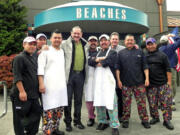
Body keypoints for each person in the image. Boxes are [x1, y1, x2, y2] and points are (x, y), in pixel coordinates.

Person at [115, 34, 150, 129]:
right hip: (126, 83)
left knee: (142, 103)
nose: (129, 42)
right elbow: (117, 68)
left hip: (139, 83)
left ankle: (144, 120)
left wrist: (147, 78)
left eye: (131, 40)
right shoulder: (121, 53)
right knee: (126, 104)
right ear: (125, 42)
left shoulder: (140, 52)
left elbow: (145, 66)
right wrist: (118, 80)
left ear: (134, 41)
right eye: (128, 40)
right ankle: (125, 120)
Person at [89, 34, 120, 135]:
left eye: (105, 40)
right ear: (99, 43)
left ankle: (114, 125)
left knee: (111, 103)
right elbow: (90, 62)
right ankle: (102, 122)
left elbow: (108, 62)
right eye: (101, 41)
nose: (103, 42)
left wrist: (97, 61)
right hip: (98, 83)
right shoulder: (97, 52)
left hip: (109, 83)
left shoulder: (113, 52)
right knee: (99, 103)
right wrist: (98, 60)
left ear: (109, 41)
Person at [38, 30, 67, 135]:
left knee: (59, 109)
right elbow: (40, 69)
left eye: (59, 38)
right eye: (55, 37)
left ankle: (55, 129)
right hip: (48, 86)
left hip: (61, 87)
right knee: (49, 109)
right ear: (51, 39)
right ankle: (48, 131)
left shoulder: (62, 52)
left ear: (61, 39)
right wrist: (41, 84)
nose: (57, 40)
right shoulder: (45, 51)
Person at [10, 36, 41, 135]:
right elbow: (17, 76)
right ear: (24, 45)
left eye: (34, 44)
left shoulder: (33, 57)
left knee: (36, 114)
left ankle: (30, 132)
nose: (32, 46)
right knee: (19, 120)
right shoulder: (19, 58)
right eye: (29, 44)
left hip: (33, 95)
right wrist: (22, 91)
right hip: (22, 95)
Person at [61, 26, 88, 132]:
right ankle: (68, 122)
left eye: (78, 33)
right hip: (69, 76)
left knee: (78, 100)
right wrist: (44, 48)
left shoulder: (85, 45)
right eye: (74, 33)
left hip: (80, 75)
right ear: (71, 33)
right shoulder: (64, 44)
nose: (76, 35)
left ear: (81, 34)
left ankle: (77, 121)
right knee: (67, 100)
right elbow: (54, 49)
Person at [145, 38, 174, 130]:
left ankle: (167, 120)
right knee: (152, 104)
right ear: (146, 46)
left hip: (163, 84)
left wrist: (169, 82)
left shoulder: (162, 55)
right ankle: (155, 118)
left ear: (155, 44)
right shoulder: (145, 56)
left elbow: (168, 70)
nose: (150, 46)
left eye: (152, 44)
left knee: (166, 104)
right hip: (151, 85)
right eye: (148, 44)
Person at [159, 35, 180, 111]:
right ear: (167, 41)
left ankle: (161, 102)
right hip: (170, 69)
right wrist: (175, 36)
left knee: (162, 86)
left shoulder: (159, 49)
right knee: (171, 86)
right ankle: (170, 103)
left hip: (161, 69)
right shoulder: (171, 47)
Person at [84, 36, 99, 127]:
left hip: (99, 78)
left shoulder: (101, 51)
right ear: (88, 42)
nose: (93, 43)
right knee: (89, 98)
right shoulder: (84, 51)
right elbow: (91, 62)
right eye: (91, 41)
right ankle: (91, 117)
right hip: (88, 79)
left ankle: (102, 118)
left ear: (97, 43)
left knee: (99, 98)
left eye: (94, 41)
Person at [110, 32, 125, 122]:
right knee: (110, 97)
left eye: (116, 39)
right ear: (110, 40)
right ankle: (110, 116)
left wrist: (136, 46)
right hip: (109, 78)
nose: (114, 40)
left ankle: (120, 115)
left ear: (118, 40)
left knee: (120, 97)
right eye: (113, 39)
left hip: (120, 77)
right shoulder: (106, 49)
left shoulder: (123, 49)